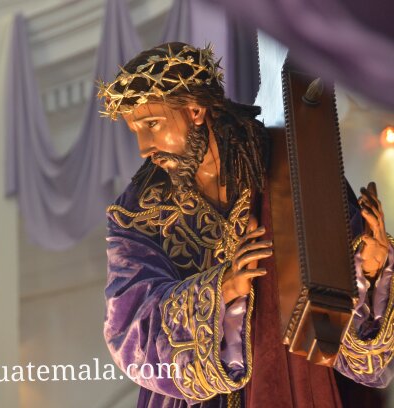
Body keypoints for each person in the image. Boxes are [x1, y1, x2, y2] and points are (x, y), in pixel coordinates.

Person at [98, 42, 394, 408]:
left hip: (290, 375)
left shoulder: (287, 160)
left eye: (152, 124)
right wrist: (221, 289)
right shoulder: (137, 211)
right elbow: (128, 328)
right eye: (136, 131)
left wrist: (371, 266)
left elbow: (336, 305)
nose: (144, 147)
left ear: (194, 110)